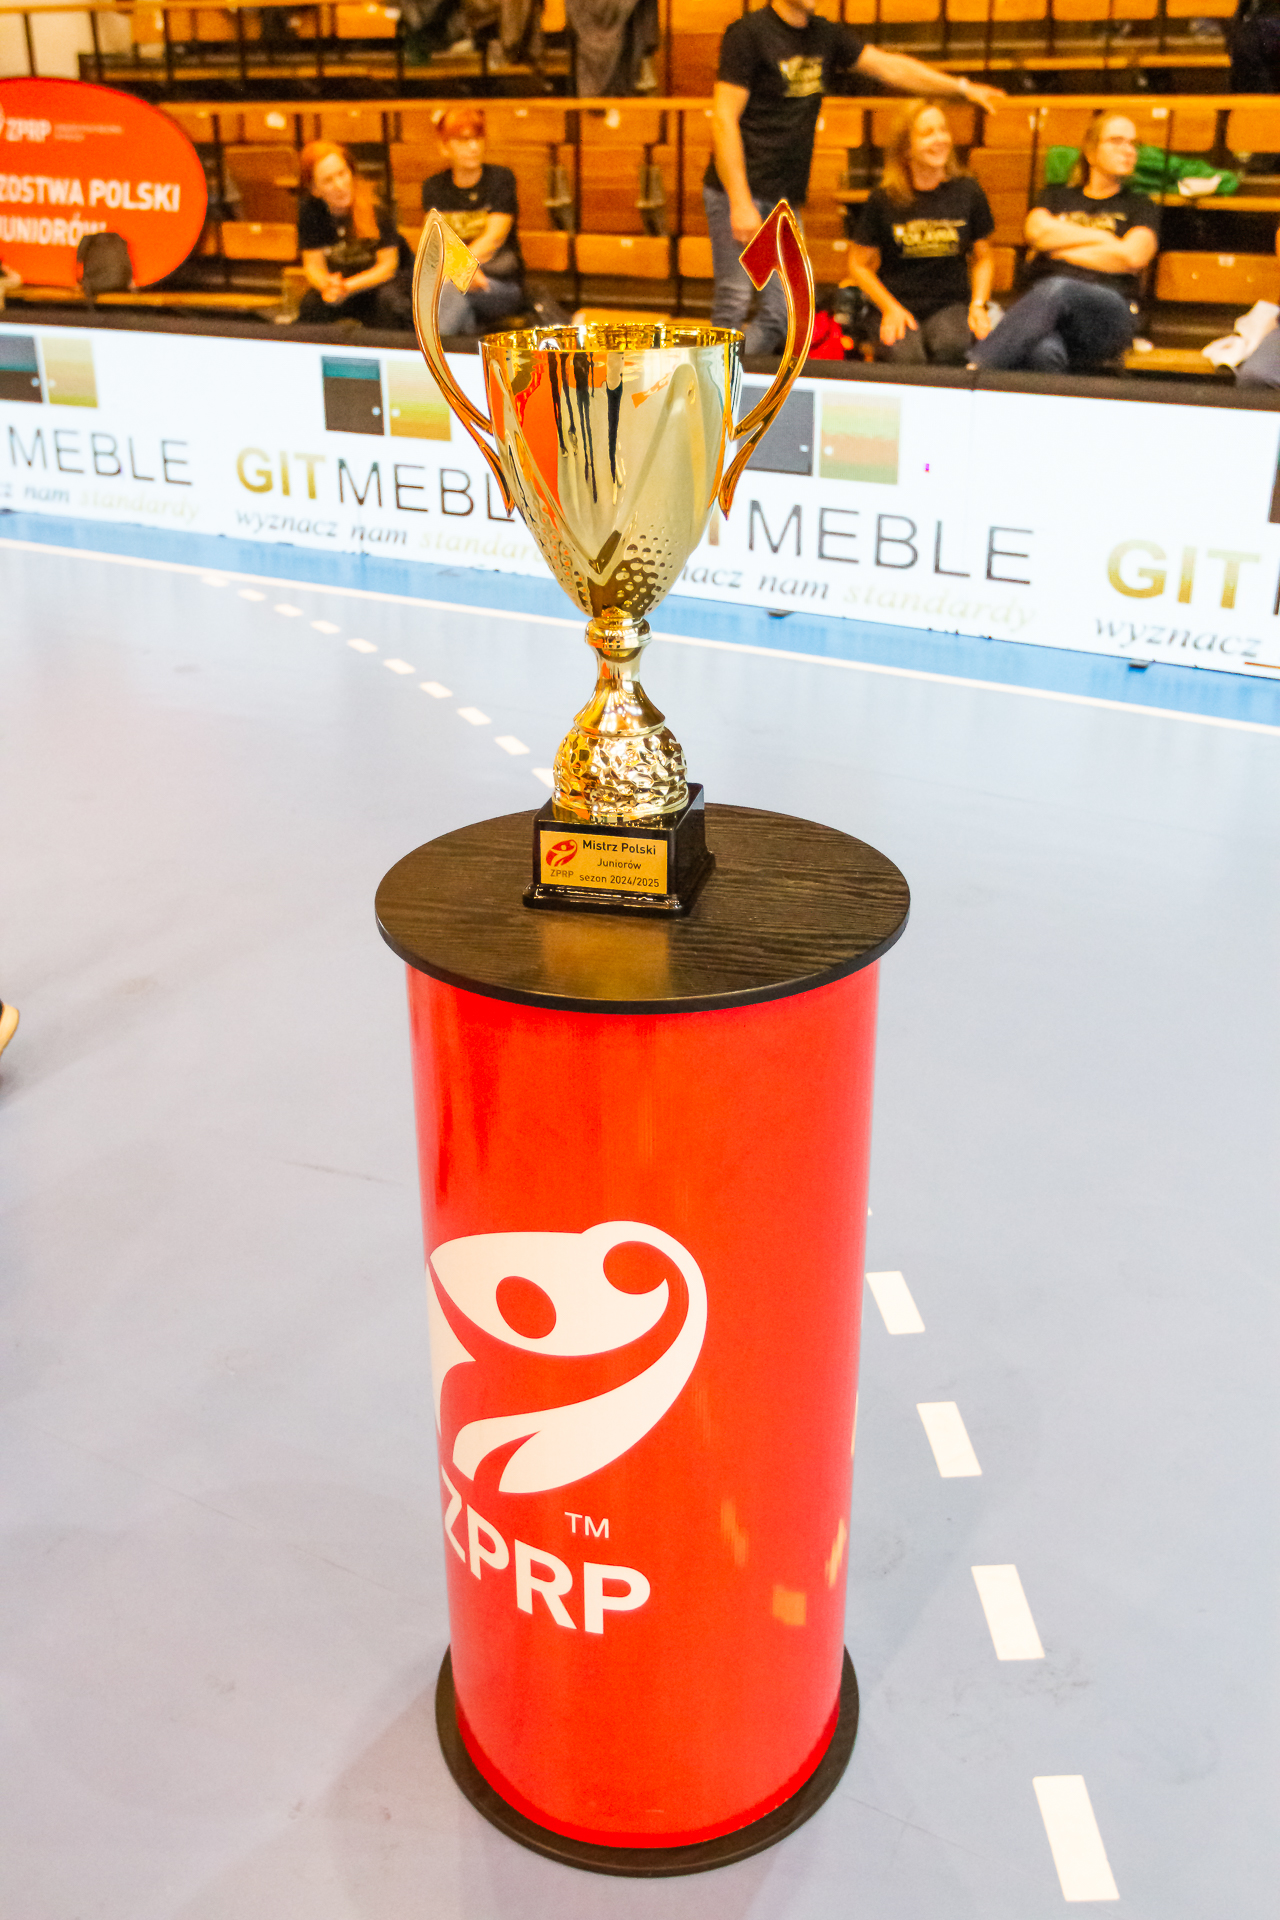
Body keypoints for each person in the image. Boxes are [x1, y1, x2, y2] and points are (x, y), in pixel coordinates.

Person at [705, 0, 1005, 355]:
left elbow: (889, 67)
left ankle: (724, 374)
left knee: (783, 316)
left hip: (783, 197)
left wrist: (962, 88)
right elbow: (724, 118)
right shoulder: (748, 34)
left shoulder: (823, 35)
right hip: (740, 192)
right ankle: (715, 382)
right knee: (734, 300)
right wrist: (739, 200)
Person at [970, 112, 1158, 374]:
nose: (1128, 150)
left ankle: (975, 370)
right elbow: (1036, 233)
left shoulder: (1141, 205)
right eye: (1117, 141)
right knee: (1043, 351)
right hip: (1051, 312)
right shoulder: (1055, 196)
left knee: (1059, 287)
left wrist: (1057, 249)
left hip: (1109, 310)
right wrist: (1104, 239)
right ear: (1091, 153)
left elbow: (1132, 257)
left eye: (1133, 143)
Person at [845, 100, 995, 365]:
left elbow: (984, 258)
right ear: (906, 148)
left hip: (949, 305)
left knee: (951, 347)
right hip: (897, 302)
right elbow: (858, 264)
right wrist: (889, 308)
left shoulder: (968, 191)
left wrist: (978, 305)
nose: (940, 139)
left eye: (943, 130)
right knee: (907, 358)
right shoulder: (884, 199)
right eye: (927, 133)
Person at [421, 106, 526, 336]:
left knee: (451, 291)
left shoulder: (501, 179)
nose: (474, 147)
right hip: (455, 280)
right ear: (444, 147)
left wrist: (461, 271)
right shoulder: (433, 187)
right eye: (463, 140)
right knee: (457, 298)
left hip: (499, 284)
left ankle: (427, 354)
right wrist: (462, 276)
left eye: (477, 139)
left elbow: (493, 239)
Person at [297, 141, 407, 327]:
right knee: (311, 304)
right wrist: (327, 285)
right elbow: (313, 266)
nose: (340, 185)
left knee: (389, 302)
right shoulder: (310, 212)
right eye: (328, 180)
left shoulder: (376, 206)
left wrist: (347, 287)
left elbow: (388, 267)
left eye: (342, 174)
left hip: (377, 285)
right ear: (315, 189)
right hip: (341, 286)